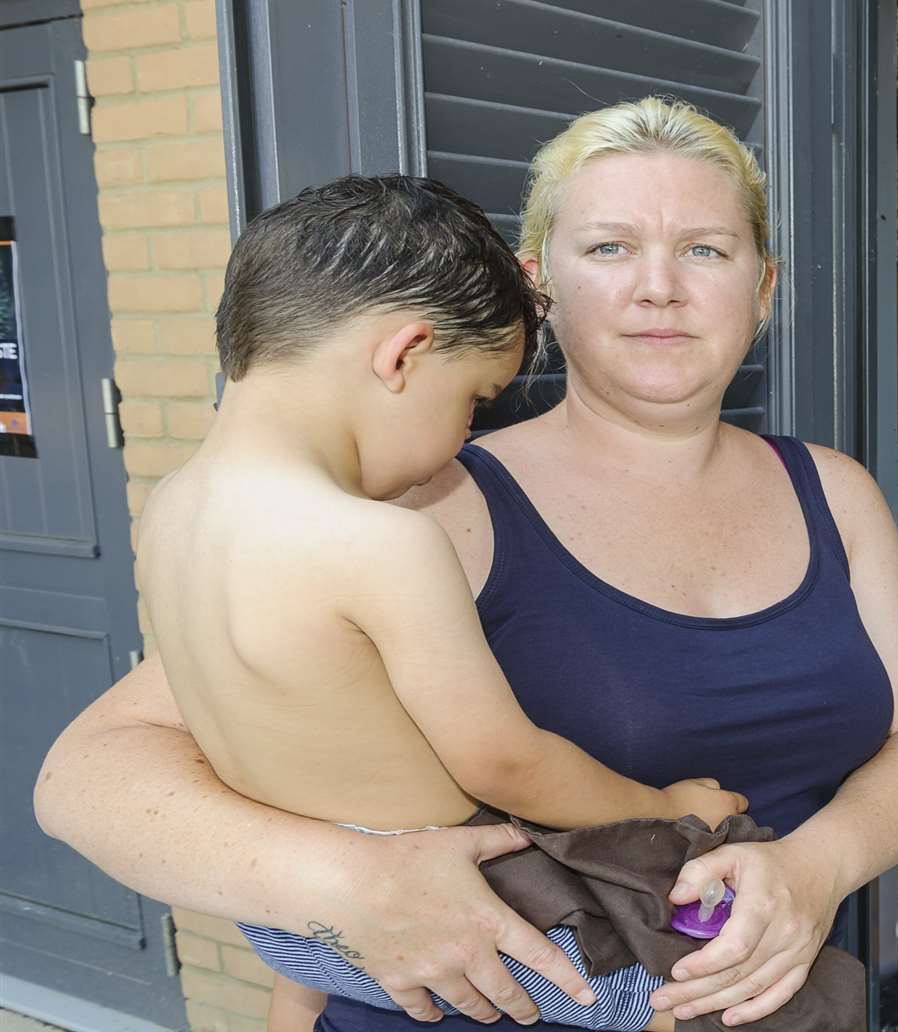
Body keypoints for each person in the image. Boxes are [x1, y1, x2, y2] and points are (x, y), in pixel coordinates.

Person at [35, 97, 898, 1031]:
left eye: (705, 249)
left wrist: (818, 869)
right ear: (540, 286)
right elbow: (92, 776)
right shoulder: (423, 499)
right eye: (609, 248)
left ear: (762, 287)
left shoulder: (835, 490)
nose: (660, 287)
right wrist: (350, 885)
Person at [136, 172, 754, 1032]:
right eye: (472, 400)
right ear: (402, 356)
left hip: (294, 927)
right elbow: (507, 764)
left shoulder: (169, 511)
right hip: (469, 910)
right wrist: (667, 802)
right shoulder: (380, 542)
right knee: (710, 992)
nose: (462, 439)